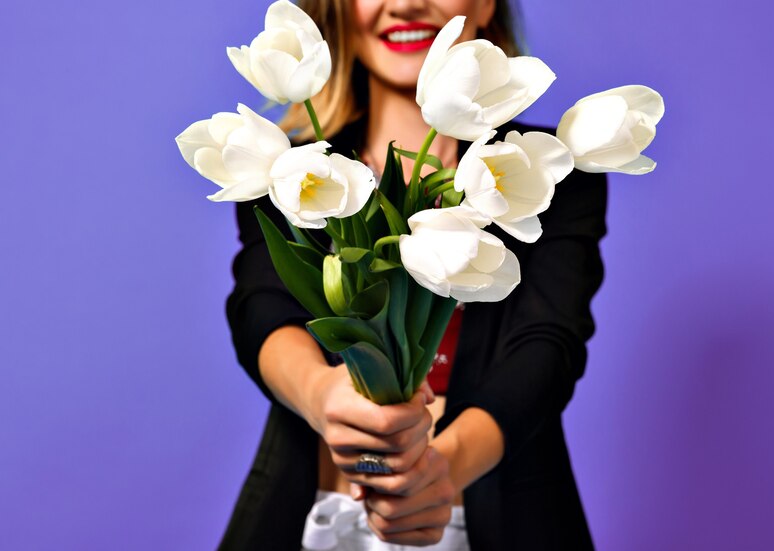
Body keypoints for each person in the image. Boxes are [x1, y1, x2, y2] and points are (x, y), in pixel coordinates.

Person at [219, 0, 607, 549]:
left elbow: (548, 346)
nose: (403, 3)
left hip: (501, 510)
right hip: (317, 514)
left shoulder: (539, 169)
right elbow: (262, 307)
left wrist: (439, 474)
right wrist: (319, 393)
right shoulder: (291, 169)